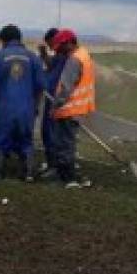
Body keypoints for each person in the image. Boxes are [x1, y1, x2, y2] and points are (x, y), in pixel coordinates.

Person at [0, 24, 44, 181]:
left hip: (2, 109)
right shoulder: (33, 58)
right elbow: (40, 86)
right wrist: (35, 107)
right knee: (26, 141)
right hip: (27, 108)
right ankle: (28, 174)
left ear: (3, 40)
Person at [47, 29, 96, 188]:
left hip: (68, 110)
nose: (58, 51)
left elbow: (65, 88)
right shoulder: (84, 55)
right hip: (78, 109)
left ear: (70, 43)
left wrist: (54, 107)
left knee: (65, 144)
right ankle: (67, 175)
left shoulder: (74, 60)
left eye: (60, 47)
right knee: (69, 143)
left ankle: (68, 178)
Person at [38, 27, 64, 170]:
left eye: (50, 44)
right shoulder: (58, 56)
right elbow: (50, 67)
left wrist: (43, 54)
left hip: (57, 100)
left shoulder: (64, 57)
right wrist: (43, 55)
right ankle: (52, 164)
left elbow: (53, 70)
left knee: (51, 133)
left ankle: (55, 166)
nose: (50, 47)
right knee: (48, 132)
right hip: (51, 98)